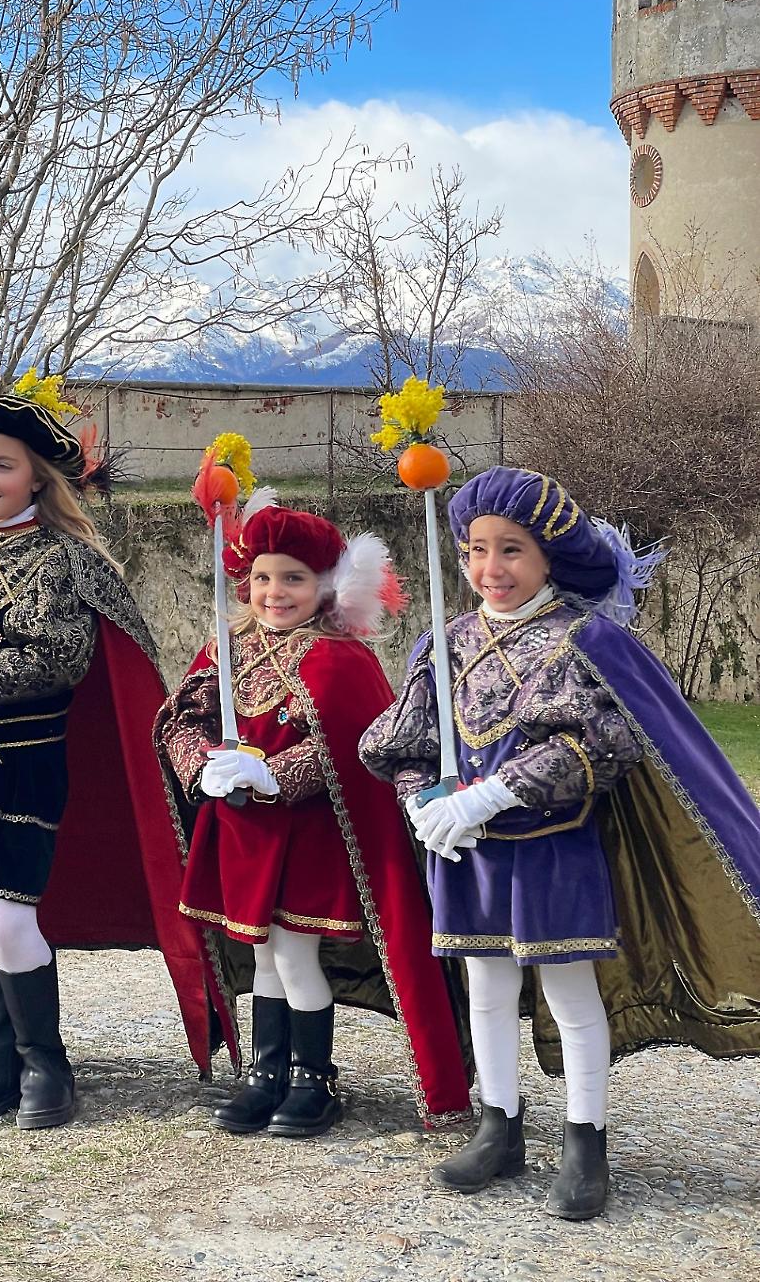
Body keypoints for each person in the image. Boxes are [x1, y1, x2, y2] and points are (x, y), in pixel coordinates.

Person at [359, 465, 760, 1220]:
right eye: (476, 550)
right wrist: (422, 802)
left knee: (570, 993)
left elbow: (606, 743)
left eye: (511, 549)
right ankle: (498, 1126)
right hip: (467, 854)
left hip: (552, 851)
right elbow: (406, 742)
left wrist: (495, 792)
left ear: (550, 556)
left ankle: (585, 1142)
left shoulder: (584, 640)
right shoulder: (445, 642)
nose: (491, 568)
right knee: (485, 986)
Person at [0, 388, 215, 1133]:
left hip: (16, 764)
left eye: (2, 465)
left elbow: (58, 658)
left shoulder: (62, 561)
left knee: (4, 919)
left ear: (37, 475)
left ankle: (45, 1063)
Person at [154, 493, 473, 1138]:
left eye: (293, 579)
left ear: (326, 585)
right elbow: (177, 717)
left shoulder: (338, 657)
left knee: (295, 955)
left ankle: (313, 1078)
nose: (274, 593)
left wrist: (272, 775)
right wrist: (202, 764)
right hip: (242, 835)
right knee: (265, 957)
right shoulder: (228, 649)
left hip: (304, 837)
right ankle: (267, 1073)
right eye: (263, 578)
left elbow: (351, 748)